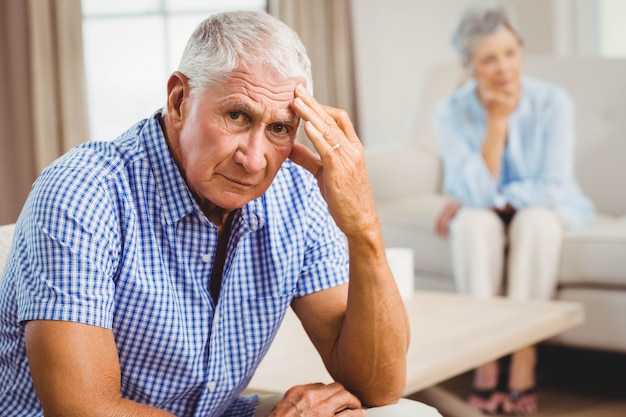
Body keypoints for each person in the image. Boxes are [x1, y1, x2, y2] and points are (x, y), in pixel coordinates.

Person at [0, 10, 441, 417]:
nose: (254, 158)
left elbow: (379, 385)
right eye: (236, 115)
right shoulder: (82, 190)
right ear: (178, 102)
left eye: (280, 129)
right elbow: (86, 411)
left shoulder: (295, 193)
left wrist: (362, 225)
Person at [433, 1, 595, 415]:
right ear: (468, 66)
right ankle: (484, 361)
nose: (504, 68)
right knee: (472, 223)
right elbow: (473, 197)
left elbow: (552, 187)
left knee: (536, 222)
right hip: (485, 212)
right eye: (489, 59)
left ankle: (524, 357)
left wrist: (492, 198)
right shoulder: (451, 112)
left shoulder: (553, 102)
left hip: (549, 209)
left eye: (510, 52)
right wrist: (497, 124)